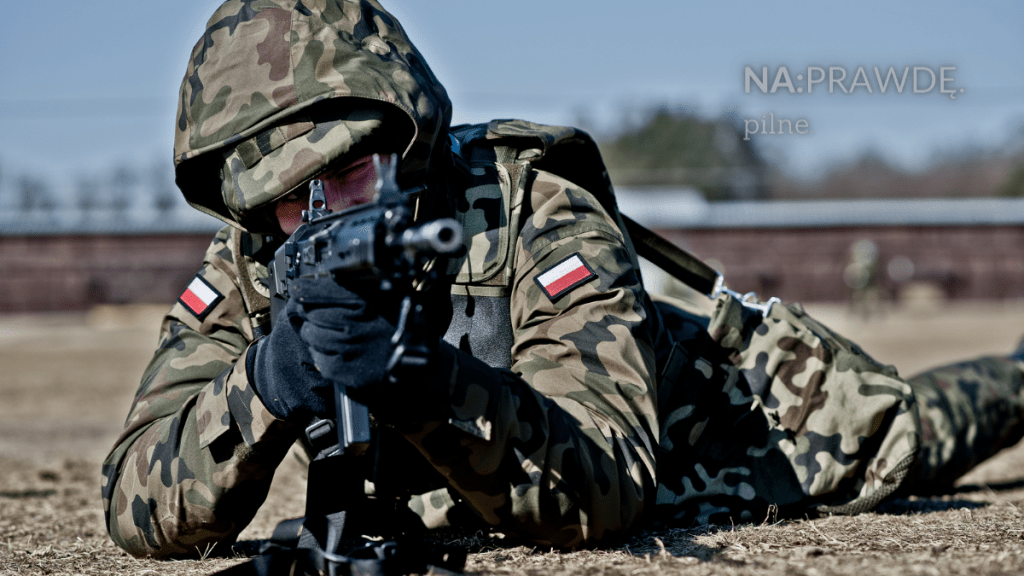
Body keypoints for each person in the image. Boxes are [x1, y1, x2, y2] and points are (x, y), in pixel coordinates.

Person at [102, 0, 1024, 559]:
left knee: (912, 428)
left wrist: (422, 378)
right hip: (495, 491)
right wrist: (267, 383)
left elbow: (611, 486)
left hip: (739, 430)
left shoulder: (535, 208)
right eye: (287, 198)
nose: (325, 213)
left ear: (403, 138)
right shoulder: (259, 259)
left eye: (347, 171)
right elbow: (134, 504)